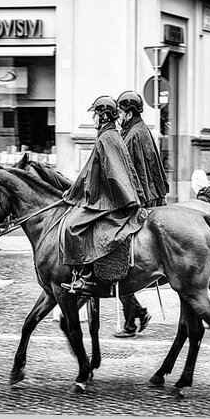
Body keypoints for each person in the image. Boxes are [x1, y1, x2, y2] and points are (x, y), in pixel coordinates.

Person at [60, 95, 147, 294]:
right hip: (114, 197)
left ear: (104, 116)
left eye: (95, 115)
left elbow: (94, 174)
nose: (92, 120)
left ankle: (85, 277)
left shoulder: (106, 139)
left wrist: (74, 194)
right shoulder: (110, 136)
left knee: (73, 226)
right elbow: (93, 173)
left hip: (112, 201)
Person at [112, 90, 169, 337]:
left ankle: (131, 319)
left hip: (140, 202)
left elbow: (128, 172)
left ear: (130, 112)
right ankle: (134, 316)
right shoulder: (138, 130)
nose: (119, 116)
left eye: (121, 112)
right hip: (147, 198)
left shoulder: (134, 134)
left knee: (115, 253)